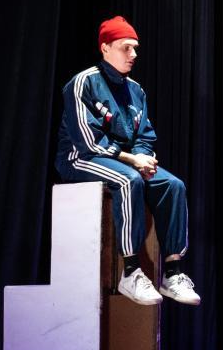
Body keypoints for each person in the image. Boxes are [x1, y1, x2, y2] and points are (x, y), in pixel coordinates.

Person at [56, 16, 200, 306]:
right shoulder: (83, 83)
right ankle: (131, 271)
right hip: (80, 157)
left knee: (173, 186)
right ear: (105, 48)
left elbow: (144, 134)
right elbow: (87, 140)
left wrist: (143, 156)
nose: (133, 54)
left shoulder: (136, 90)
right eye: (126, 47)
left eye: (135, 48)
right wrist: (132, 160)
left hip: (124, 159)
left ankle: (172, 273)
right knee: (127, 180)